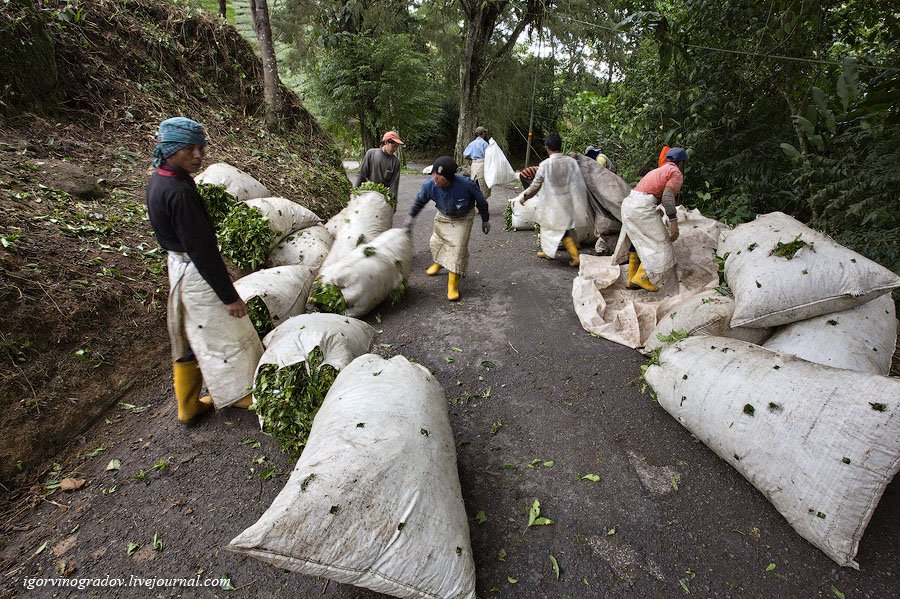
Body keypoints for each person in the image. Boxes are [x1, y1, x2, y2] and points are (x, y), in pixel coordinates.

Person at [145, 117, 263, 424]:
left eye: (200, 147)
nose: (198, 155)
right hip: (194, 270)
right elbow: (203, 251)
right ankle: (242, 393)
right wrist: (229, 296)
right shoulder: (180, 192)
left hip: (178, 265)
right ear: (171, 149)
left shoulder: (160, 179)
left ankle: (188, 405)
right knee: (226, 332)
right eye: (189, 149)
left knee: (187, 334)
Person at [405, 156, 490, 301]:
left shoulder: (466, 184)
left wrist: (485, 219)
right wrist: (410, 218)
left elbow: (481, 202)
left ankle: (452, 285)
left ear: (449, 178)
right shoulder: (429, 185)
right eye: (433, 175)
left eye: (439, 177)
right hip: (443, 216)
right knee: (437, 242)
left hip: (463, 218)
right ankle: (439, 263)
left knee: (457, 250)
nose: (435, 179)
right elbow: (419, 202)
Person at [615, 146, 687, 293]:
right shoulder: (675, 172)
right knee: (661, 242)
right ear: (682, 163)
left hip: (629, 204)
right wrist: (674, 223)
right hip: (642, 208)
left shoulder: (657, 171)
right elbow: (667, 197)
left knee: (638, 240)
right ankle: (642, 276)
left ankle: (631, 278)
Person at [513, 133, 590, 267]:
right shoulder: (570, 162)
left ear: (547, 148)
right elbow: (578, 181)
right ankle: (548, 252)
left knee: (556, 228)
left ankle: (575, 256)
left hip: (553, 203)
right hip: (569, 201)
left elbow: (536, 185)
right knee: (557, 227)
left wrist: (525, 197)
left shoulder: (545, 164)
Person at [356, 130, 404, 200]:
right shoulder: (371, 154)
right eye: (394, 146)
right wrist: (355, 192)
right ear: (386, 142)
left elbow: (394, 185)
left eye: (397, 147)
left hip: (383, 197)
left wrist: (393, 202)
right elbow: (362, 175)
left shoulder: (395, 162)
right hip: (368, 194)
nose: (395, 149)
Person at [463, 126, 490, 198]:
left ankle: (474, 201)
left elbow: (465, 155)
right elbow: (489, 155)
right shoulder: (485, 144)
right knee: (483, 184)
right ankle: (482, 202)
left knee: (474, 183)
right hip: (482, 164)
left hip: (474, 164)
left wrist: (472, 157)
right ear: (483, 133)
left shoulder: (472, 143)